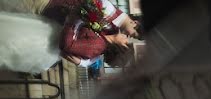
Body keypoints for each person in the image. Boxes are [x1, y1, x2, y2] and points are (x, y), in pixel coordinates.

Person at [0, 0, 139, 72]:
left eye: (128, 41)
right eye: (133, 35)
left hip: (46, 26)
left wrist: (73, 20)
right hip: (49, 8)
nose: (127, 37)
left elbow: (70, 48)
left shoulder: (100, 44)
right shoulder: (109, 21)